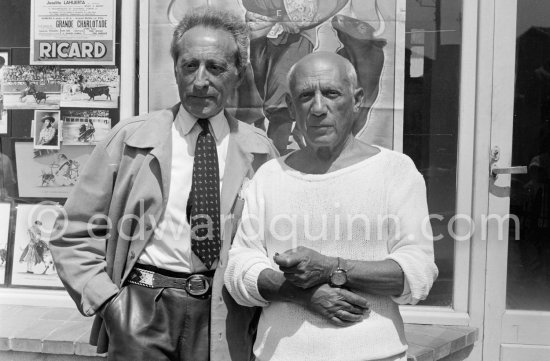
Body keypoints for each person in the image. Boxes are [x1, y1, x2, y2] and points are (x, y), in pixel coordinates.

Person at [50, 8, 278, 361]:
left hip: (225, 316)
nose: (200, 81)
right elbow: (74, 232)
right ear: (175, 69)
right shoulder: (130, 140)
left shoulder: (260, 153)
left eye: (215, 67)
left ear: (239, 73)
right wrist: (109, 302)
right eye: (190, 66)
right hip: (141, 310)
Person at [225, 52, 438, 361]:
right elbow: (238, 267)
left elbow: (417, 274)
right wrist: (301, 294)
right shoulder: (271, 176)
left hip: (375, 355)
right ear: (291, 107)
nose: (318, 108)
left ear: (357, 100)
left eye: (332, 93)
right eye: (305, 96)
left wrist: (333, 268)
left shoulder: (395, 172)